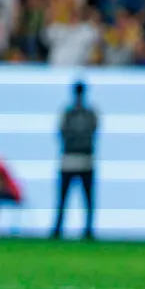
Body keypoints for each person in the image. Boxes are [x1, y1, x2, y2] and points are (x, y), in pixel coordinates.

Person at [53, 81, 98, 240]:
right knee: (65, 199)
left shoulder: (84, 113)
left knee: (85, 199)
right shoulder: (75, 113)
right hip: (72, 159)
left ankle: (87, 229)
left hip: (82, 159)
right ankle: (59, 229)